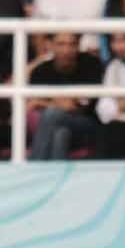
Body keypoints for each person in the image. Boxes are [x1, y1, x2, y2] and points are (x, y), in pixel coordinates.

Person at [27, 31, 105, 160]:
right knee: (61, 134)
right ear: (50, 45)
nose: (66, 50)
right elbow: (31, 106)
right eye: (61, 44)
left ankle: (34, 166)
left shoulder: (91, 65)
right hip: (54, 128)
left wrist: (45, 103)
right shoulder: (41, 71)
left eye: (72, 44)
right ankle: (56, 177)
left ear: (78, 45)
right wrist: (56, 104)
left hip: (87, 127)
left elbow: (77, 108)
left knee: (52, 113)